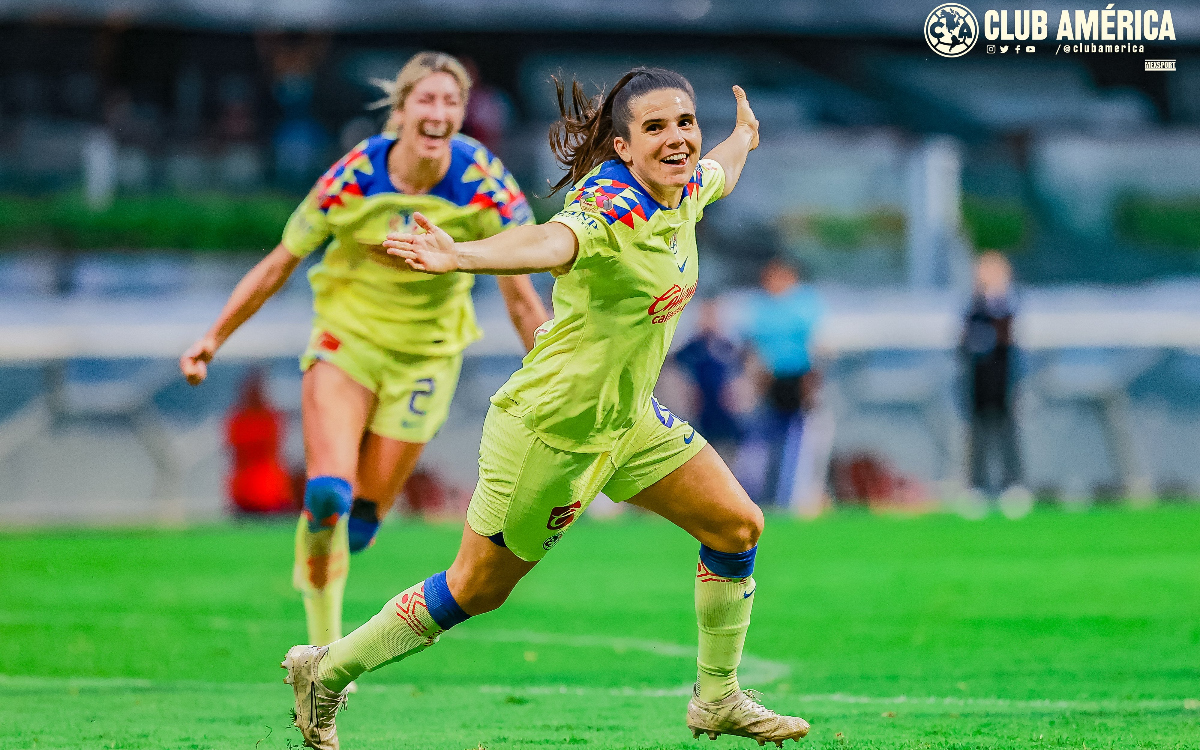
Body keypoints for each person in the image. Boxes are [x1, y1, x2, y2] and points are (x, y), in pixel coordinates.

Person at [280, 67, 810, 749]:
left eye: (684, 122)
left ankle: (717, 699)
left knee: (738, 527)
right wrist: (460, 256)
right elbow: (549, 242)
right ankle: (326, 672)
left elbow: (719, 169)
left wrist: (742, 136)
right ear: (622, 148)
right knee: (475, 588)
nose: (677, 139)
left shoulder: (684, 189)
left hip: (627, 421)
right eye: (655, 128)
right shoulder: (611, 207)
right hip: (551, 432)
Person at [180, 52, 549, 659]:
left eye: (450, 102)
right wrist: (212, 339)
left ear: (462, 115)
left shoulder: (486, 182)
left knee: (359, 525)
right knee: (327, 495)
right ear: (400, 112)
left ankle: (332, 554)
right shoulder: (353, 178)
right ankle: (323, 659)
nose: (438, 113)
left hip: (428, 360)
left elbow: (519, 295)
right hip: (345, 344)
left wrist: (554, 372)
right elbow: (280, 263)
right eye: (425, 101)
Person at [742, 257, 823, 507]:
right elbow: (751, 346)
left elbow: (817, 345)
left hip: (798, 379)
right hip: (768, 381)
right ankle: (762, 497)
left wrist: (812, 385)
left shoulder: (805, 304)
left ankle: (794, 499)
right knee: (762, 443)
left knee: (799, 443)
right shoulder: (760, 307)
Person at [961, 250, 1022, 495]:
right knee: (978, 434)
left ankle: (1013, 483)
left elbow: (1011, 338)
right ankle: (977, 484)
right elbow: (964, 340)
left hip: (1006, 379)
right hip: (979, 379)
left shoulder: (1011, 303)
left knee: (1006, 431)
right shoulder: (974, 306)